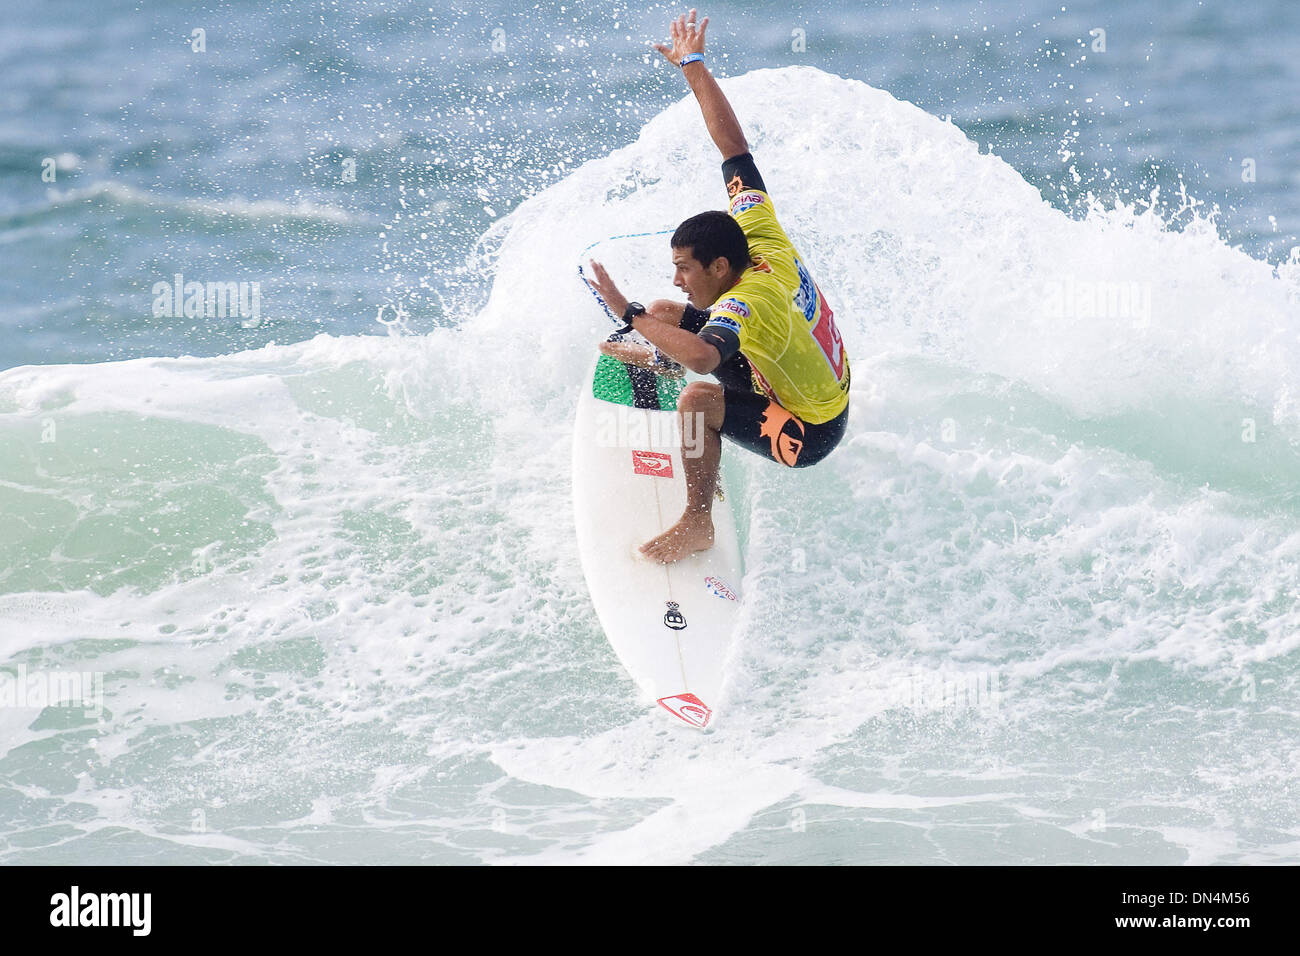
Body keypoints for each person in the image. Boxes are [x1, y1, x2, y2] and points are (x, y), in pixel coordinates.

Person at [584, 9, 850, 564]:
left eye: (686, 268)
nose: (679, 277)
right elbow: (734, 149)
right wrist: (694, 67)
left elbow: (705, 359)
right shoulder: (757, 230)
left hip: (810, 425)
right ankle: (661, 360)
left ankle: (696, 520)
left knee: (696, 396)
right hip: (788, 369)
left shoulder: (747, 304)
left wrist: (629, 313)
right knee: (667, 312)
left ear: (722, 267)